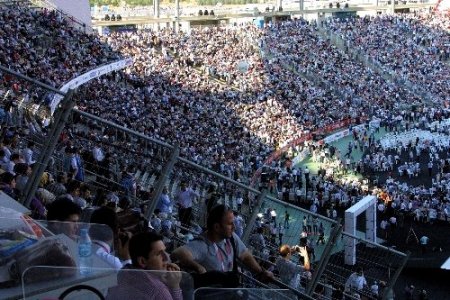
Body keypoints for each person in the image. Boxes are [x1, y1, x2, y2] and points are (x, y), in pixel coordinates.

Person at [171, 205, 273, 284]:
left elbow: (245, 256)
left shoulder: (231, 237)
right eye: (230, 224)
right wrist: (198, 267)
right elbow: (178, 253)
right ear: (217, 227)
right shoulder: (203, 245)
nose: (234, 227)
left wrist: (261, 272)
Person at [106, 231, 182, 300]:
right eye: (159, 254)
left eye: (165, 251)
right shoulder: (159, 291)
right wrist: (175, 286)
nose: (166, 257)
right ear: (142, 261)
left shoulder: (123, 272)